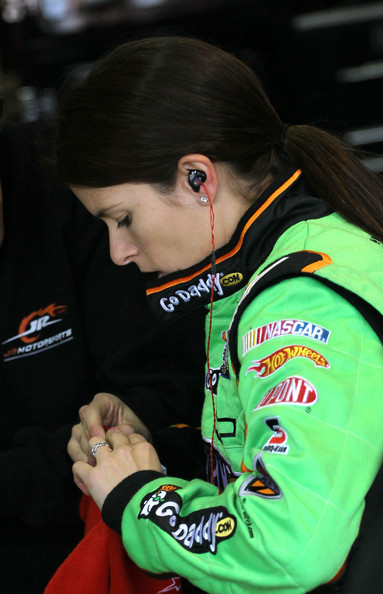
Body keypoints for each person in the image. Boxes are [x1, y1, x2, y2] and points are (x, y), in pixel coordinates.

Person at [54, 36, 383, 593]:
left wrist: (138, 498)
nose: (119, 252)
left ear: (198, 178)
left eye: (122, 219)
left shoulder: (297, 300)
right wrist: (155, 449)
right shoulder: (286, 251)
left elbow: (287, 547)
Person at [0, 120, 205, 593]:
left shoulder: (72, 186)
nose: (121, 251)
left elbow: (169, 394)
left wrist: (115, 436)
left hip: (121, 538)